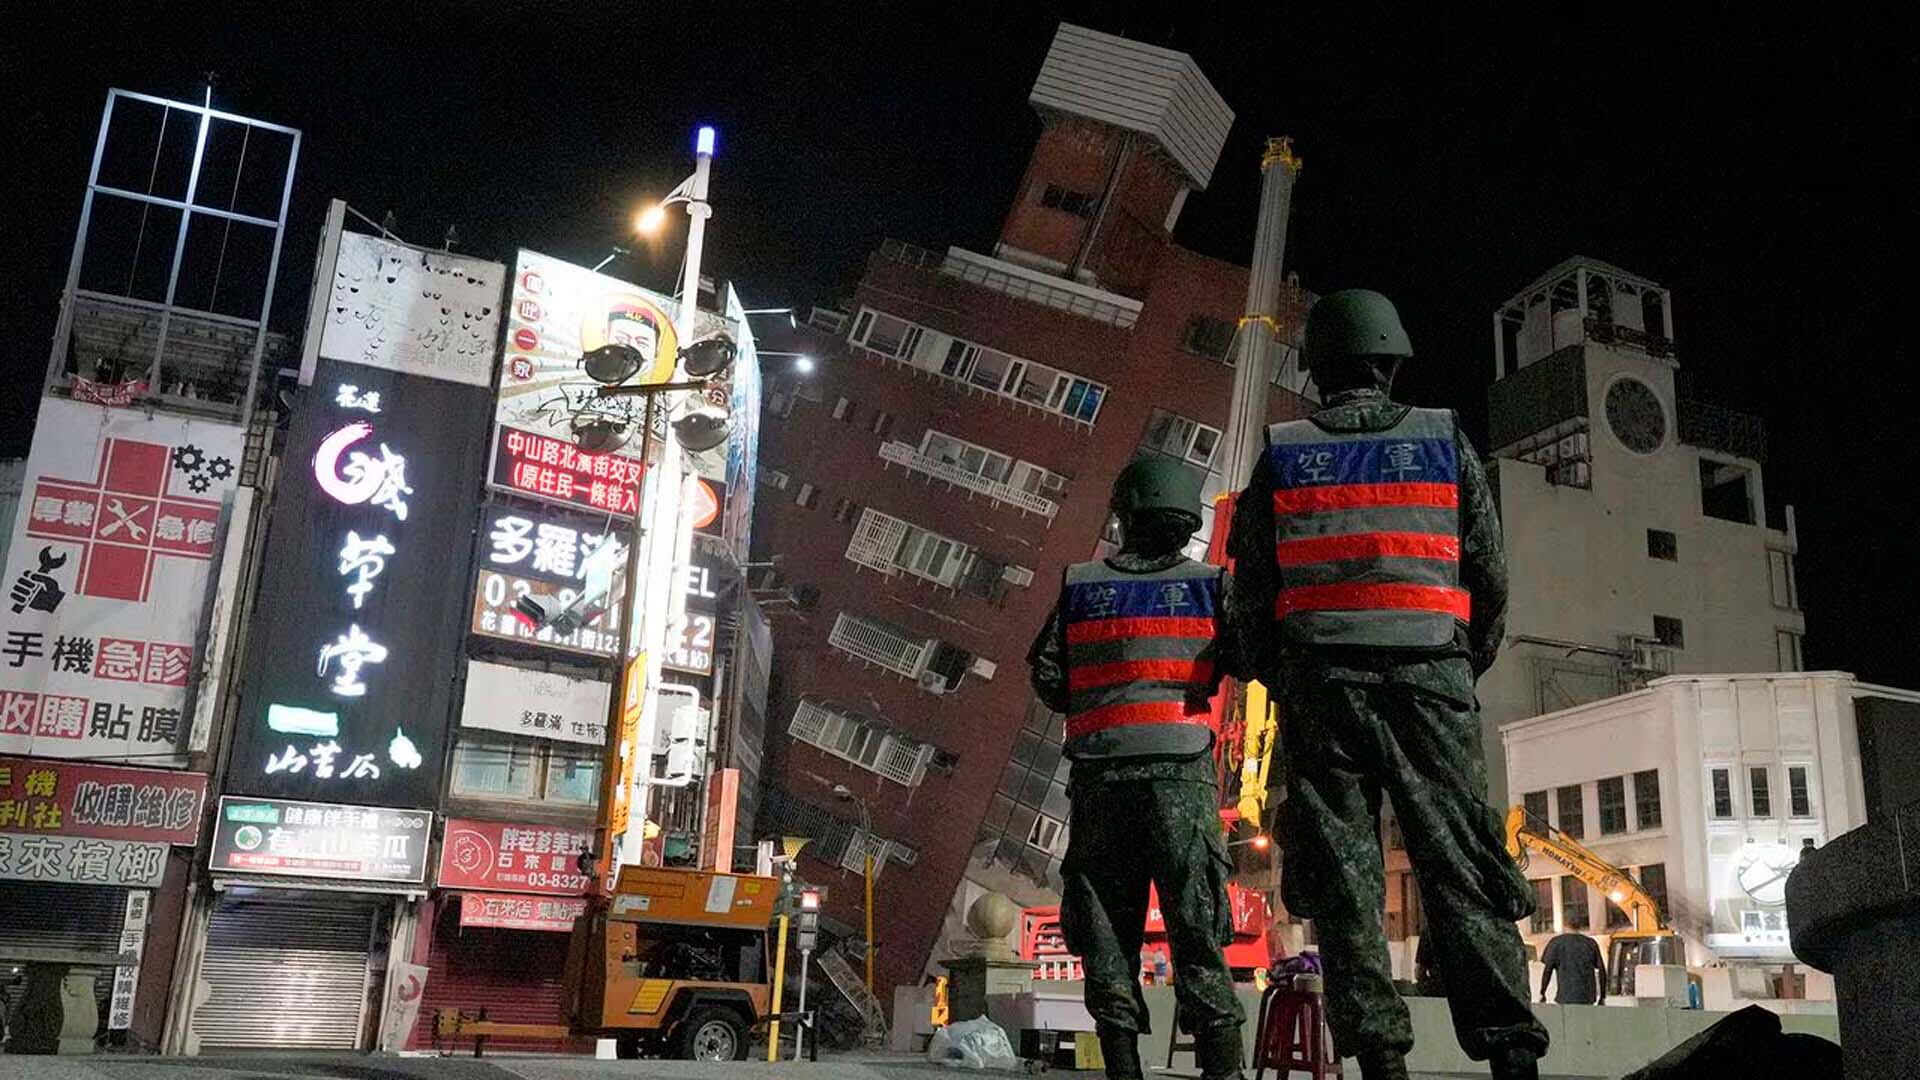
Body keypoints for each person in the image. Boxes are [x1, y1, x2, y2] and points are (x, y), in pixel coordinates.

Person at [1225, 289, 1551, 1080]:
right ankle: (1510, 1050)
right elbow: (1491, 579)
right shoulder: (1443, 439)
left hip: (1323, 685)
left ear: (1319, 366)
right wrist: (1452, 664)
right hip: (1429, 678)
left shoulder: (1285, 453)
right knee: (1459, 859)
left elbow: (1249, 599)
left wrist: (1290, 672)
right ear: (1392, 360)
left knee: (1343, 877)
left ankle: (1381, 1057)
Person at [1028, 456, 1245, 1080]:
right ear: (1186, 519)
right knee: (1197, 924)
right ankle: (1221, 1069)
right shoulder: (1211, 583)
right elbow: (1247, 656)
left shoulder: (1083, 584)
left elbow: (1046, 673)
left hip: (1101, 778)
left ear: (1123, 515)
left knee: (1107, 925)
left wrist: (1102, 702)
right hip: (1181, 776)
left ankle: (1123, 1065)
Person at [1539, 930, 1607, 1005]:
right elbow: (1602, 970)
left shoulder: (1556, 942)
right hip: (1587, 999)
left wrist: (1542, 992)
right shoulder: (1590, 943)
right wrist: (1602, 996)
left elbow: (1548, 970)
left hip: (1565, 997)